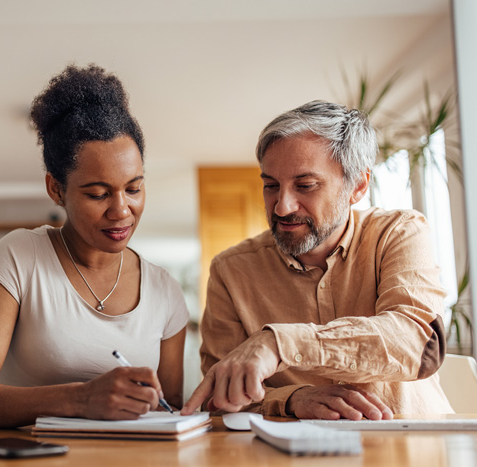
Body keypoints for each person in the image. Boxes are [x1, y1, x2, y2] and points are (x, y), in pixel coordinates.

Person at [0, 64, 189, 428]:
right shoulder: (19, 257)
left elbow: (169, 411)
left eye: (134, 188)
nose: (122, 210)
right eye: (98, 193)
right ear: (56, 189)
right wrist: (81, 398)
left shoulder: (164, 291)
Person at [182, 100, 453, 420]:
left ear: (358, 185)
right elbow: (220, 396)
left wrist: (280, 343)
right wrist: (291, 399)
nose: (282, 207)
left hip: (413, 453)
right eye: (270, 186)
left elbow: (419, 343)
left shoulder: (398, 233)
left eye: (305, 185)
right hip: (291, 463)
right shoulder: (231, 270)